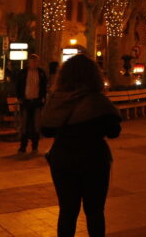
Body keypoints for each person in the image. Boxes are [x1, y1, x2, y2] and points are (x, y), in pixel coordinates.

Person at [40, 54, 121, 237]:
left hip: (63, 160)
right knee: (94, 212)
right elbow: (114, 131)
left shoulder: (57, 100)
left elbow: (47, 130)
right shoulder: (98, 101)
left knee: (67, 211)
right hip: (94, 160)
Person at [16, 54, 48, 153]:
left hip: (37, 102)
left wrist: (43, 98)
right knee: (24, 124)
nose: (34, 63)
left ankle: (35, 145)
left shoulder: (41, 73)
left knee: (36, 124)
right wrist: (20, 98)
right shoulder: (23, 73)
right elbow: (18, 86)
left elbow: (44, 86)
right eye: (32, 61)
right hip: (26, 101)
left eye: (36, 61)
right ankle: (23, 146)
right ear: (29, 62)